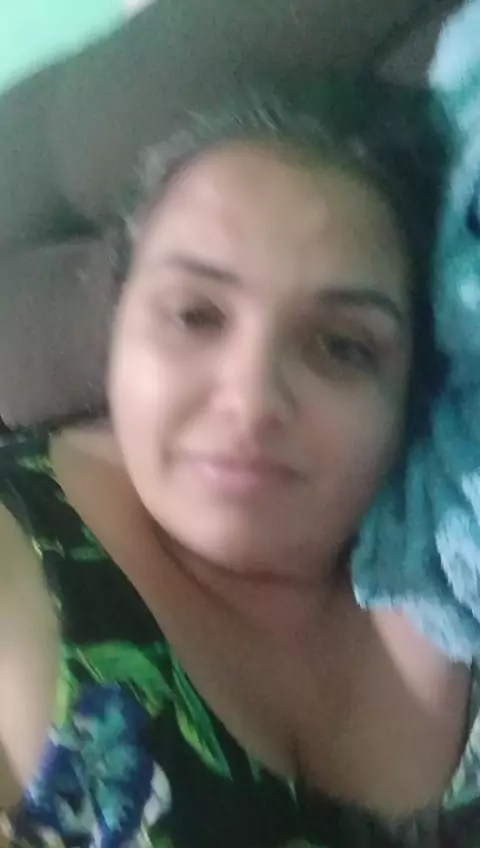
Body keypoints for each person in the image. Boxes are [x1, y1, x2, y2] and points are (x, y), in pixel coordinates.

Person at [0, 74, 473, 848]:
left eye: (341, 346)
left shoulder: (453, 526)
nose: (251, 400)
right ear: (117, 325)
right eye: (196, 314)